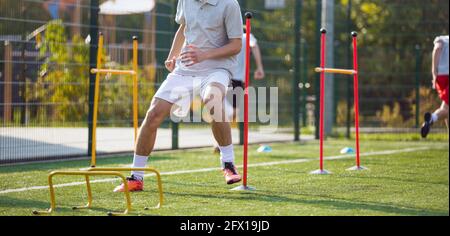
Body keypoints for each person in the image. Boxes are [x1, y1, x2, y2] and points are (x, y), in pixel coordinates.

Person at [114, 0, 244, 192]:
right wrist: (172, 55)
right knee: (153, 113)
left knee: (212, 100)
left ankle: (228, 164)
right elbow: (183, 27)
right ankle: (136, 177)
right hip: (186, 68)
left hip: (217, 68)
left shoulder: (229, 4)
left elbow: (236, 45)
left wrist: (204, 55)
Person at [421, 35, 449, 138]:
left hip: (441, 77)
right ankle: (432, 118)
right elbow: (437, 49)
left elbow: (437, 48)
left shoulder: (442, 39)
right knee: (447, 108)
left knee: (446, 107)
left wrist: (434, 72)